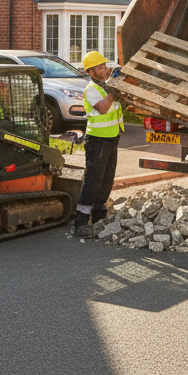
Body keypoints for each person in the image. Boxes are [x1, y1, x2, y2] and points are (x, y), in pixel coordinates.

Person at [76, 50, 123, 237]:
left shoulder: (104, 86)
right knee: (93, 181)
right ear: (91, 72)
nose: (105, 70)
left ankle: (98, 216)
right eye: (100, 68)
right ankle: (80, 222)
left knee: (106, 179)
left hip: (111, 138)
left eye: (105, 66)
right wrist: (113, 88)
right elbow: (103, 109)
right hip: (97, 140)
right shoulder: (92, 90)